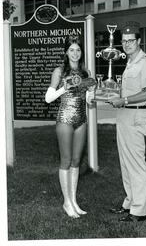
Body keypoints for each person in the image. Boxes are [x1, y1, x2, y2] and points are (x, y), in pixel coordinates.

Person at [109, 21, 146, 222]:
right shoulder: (130, 61)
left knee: (136, 164)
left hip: (135, 114)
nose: (128, 44)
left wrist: (125, 100)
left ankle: (140, 211)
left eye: (131, 41)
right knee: (125, 163)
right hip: (124, 115)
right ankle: (129, 203)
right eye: (124, 41)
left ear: (138, 41)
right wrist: (109, 93)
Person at [45, 35, 95, 218]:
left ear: (82, 52)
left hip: (81, 120)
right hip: (65, 119)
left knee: (76, 161)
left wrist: (92, 93)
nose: (75, 53)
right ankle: (66, 202)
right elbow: (48, 99)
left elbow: (88, 101)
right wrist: (63, 88)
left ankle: (73, 200)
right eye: (72, 49)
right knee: (65, 161)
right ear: (66, 51)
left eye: (78, 50)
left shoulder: (86, 72)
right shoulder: (59, 71)